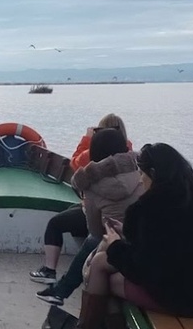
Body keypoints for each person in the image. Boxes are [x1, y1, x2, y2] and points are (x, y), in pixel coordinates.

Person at [76, 143, 193, 329]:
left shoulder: (150, 208)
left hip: (187, 299)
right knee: (105, 260)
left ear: (153, 173)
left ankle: (86, 328)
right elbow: (168, 250)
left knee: (105, 272)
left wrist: (115, 245)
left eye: (142, 173)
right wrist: (126, 235)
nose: (140, 179)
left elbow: (143, 270)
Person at [36, 128, 143, 306]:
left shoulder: (92, 183)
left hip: (115, 239)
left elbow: (94, 228)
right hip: (141, 236)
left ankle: (60, 291)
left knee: (93, 239)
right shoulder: (138, 172)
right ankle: (61, 291)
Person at [29, 114, 132, 284]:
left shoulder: (93, 154)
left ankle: (49, 271)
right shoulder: (129, 155)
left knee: (55, 223)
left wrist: (87, 139)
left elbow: (75, 165)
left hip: (102, 217)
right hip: (120, 217)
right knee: (72, 213)